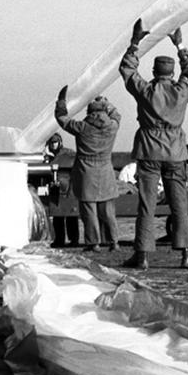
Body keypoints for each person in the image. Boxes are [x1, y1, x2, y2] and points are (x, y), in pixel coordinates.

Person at [119, 20, 188, 270]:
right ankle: (186, 255)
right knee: (179, 204)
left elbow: (127, 70)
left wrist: (135, 43)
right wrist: (180, 45)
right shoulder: (182, 91)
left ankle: (142, 256)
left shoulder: (145, 91)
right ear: (172, 73)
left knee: (147, 204)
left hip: (149, 150)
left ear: (154, 72)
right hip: (175, 151)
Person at [54, 90, 121, 253]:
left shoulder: (81, 127)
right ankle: (114, 242)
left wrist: (61, 102)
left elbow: (62, 119)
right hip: (106, 171)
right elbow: (117, 115)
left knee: (89, 211)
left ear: (89, 112)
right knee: (108, 211)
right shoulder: (112, 126)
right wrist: (106, 102)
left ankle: (94, 244)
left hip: (86, 172)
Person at [44, 133, 80, 248]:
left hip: (69, 187)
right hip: (56, 188)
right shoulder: (48, 156)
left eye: (55, 142)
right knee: (57, 216)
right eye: (51, 143)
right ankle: (59, 239)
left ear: (60, 142)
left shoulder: (68, 153)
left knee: (71, 215)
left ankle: (74, 239)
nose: (53, 145)